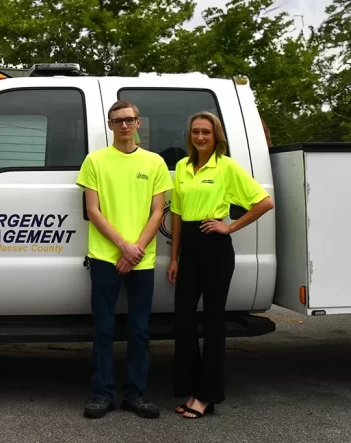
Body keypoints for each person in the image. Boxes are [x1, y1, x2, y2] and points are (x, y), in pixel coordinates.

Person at [166, 112, 274, 419]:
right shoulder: (183, 167)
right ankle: (190, 389)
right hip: (188, 250)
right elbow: (177, 215)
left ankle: (207, 396)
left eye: (206, 132)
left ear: (216, 137)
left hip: (215, 250)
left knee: (213, 324)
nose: (200, 137)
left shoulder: (226, 166)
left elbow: (264, 202)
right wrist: (174, 257)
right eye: (195, 132)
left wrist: (229, 227)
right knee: (183, 321)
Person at [76, 100, 173, 419]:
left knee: (140, 330)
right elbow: (93, 211)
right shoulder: (95, 161)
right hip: (105, 257)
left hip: (141, 259)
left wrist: (136, 250)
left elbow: (158, 212)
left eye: (129, 120)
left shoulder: (155, 162)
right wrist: (123, 246)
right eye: (118, 121)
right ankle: (102, 394)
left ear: (138, 123)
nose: (124, 125)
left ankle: (135, 394)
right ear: (110, 125)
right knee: (103, 330)